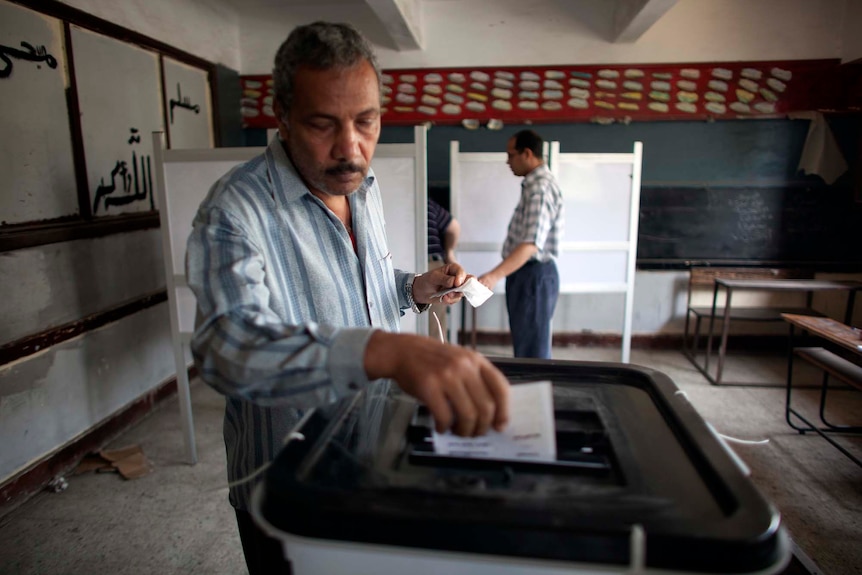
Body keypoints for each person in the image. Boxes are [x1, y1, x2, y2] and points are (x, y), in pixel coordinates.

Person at [186, 22, 510, 575]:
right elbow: (226, 346)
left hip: (375, 456)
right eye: (322, 124)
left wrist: (414, 288)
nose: (350, 148)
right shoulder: (235, 211)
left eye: (366, 122)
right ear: (281, 114)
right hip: (289, 485)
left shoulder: (366, 188)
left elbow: (362, 290)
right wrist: (381, 353)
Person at [478, 130, 564, 359]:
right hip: (526, 276)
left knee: (532, 355)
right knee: (526, 346)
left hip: (533, 277)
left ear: (527, 154)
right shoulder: (533, 186)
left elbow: (530, 245)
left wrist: (493, 276)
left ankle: (536, 394)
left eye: (511, 154)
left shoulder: (540, 189)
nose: (508, 161)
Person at [427, 198, 460, 341]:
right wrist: (449, 252)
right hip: (433, 263)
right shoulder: (427, 202)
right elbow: (454, 227)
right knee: (436, 328)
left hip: (427, 265)